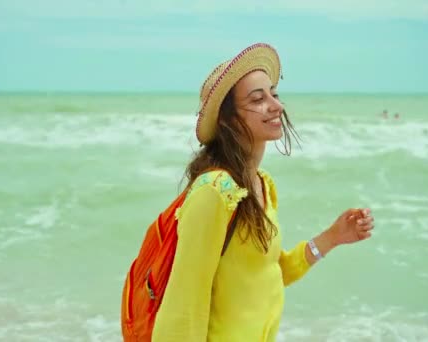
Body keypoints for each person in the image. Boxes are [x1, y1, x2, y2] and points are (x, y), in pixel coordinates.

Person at [151, 43, 374, 341]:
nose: (276, 106)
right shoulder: (214, 192)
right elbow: (184, 306)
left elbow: (270, 273)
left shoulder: (262, 184)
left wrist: (331, 238)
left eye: (274, 94)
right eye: (258, 99)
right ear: (228, 119)